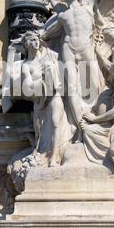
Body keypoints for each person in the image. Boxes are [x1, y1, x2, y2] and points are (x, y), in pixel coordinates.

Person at [40, 0, 105, 127]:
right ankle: (78, 123)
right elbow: (47, 34)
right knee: (72, 86)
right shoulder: (62, 15)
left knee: (92, 84)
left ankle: (94, 119)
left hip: (85, 47)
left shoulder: (88, 5)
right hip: (68, 48)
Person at [20, 32, 71, 167]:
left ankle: (54, 158)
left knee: (56, 123)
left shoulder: (50, 55)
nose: (36, 42)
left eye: (37, 39)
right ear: (26, 44)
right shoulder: (26, 65)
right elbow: (27, 86)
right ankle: (39, 151)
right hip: (40, 99)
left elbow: (64, 65)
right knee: (39, 129)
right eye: (32, 40)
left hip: (55, 94)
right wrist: (43, 82)